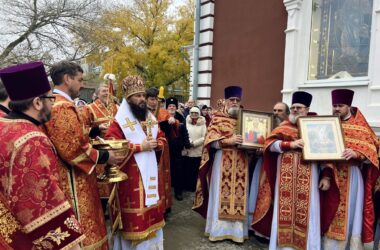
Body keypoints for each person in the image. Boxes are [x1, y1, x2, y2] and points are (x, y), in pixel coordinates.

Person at [0, 61, 85, 249]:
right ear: (38, 102)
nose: (52, 104)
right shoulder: (32, 139)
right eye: (50, 99)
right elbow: (40, 204)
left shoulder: (2, 125)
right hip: (23, 239)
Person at [44, 60, 123, 249]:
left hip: (77, 176)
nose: (82, 84)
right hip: (73, 180)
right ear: (66, 79)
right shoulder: (61, 107)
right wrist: (106, 157)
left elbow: (75, 137)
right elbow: (73, 149)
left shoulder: (59, 104)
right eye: (79, 80)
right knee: (85, 230)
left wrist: (93, 133)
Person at [251, 91, 334, 250]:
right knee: (283, 212)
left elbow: (327, 155)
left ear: (307, 109)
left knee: (308, 213)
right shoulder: (284, 127)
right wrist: (289, 145)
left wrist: (326, 177)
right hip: (285, 180)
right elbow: (270, 145)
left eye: (299, 108)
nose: (295, 110)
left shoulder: (317, 128)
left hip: (309, 181)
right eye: (294, 107)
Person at [105, 75, 166, 249]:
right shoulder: (118, 122)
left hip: (151, 176)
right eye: (137, 96)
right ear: (128, 98)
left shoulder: (150, 119)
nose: (141, 99)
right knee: (134, 221)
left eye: (142, 96)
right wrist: (140, 146)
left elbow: (162, 138)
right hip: (130, 180)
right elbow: (111, 146)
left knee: (152, 214)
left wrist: (158, 144)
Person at [322, 89, 379, 249]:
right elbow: (322, 152)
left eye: (340, 105)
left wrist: (357, 153)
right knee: (330, 211)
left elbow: (373, 151)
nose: (336, 109)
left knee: (352, 212)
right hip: (332, 174)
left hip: (352, 176)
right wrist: (325, 175)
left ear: (348, 106)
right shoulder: (328, 125)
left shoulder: (360, 127)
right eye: (334, 105)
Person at [193, 86, 250, 243]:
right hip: (222, 161)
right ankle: (217, 231)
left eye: (237, 100)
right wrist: (227, 141)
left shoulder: (246, 120)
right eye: (232, 100)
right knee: (220, 195)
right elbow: (209, 142)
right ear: (226, 101)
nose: (234, 103)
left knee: (240, 196)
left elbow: (254, 139)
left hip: (241, 163)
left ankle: (237, 233)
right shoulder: (217, 119)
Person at [146, 87, 172, 214]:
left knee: (162, 176)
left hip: (161, 148)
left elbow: (173, 127)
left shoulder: (162, 111)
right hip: (146, 149)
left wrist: (173, 121)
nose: (154, 102)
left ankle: (164, 206)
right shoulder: (141, 113)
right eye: (151, 99)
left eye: (156, 99)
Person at [161, 96, 191, 201]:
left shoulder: (180, 117)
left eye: (174, 106)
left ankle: (178, 192)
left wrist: (187, 144)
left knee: (178, 171)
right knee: (166, 171)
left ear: (176, 107)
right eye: (170, 106)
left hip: (177, 149)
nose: (172, 107)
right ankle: (165, 193)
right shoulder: (162, 116)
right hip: (165, 148)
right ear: (167, 107)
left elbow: (184, 132)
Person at [182, 106, 207, 192]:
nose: (194, 115)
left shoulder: (203, 123)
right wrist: (189, 142)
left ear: (199, 114)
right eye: (192, 113)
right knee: (187, 169)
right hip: (188, 149)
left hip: (197, 150)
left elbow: (205, 137)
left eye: (196, 113)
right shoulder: (186, 121)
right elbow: (184, 133)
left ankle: (193, 187)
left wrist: (194, 143)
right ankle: (186, 186)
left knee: (195, 170)